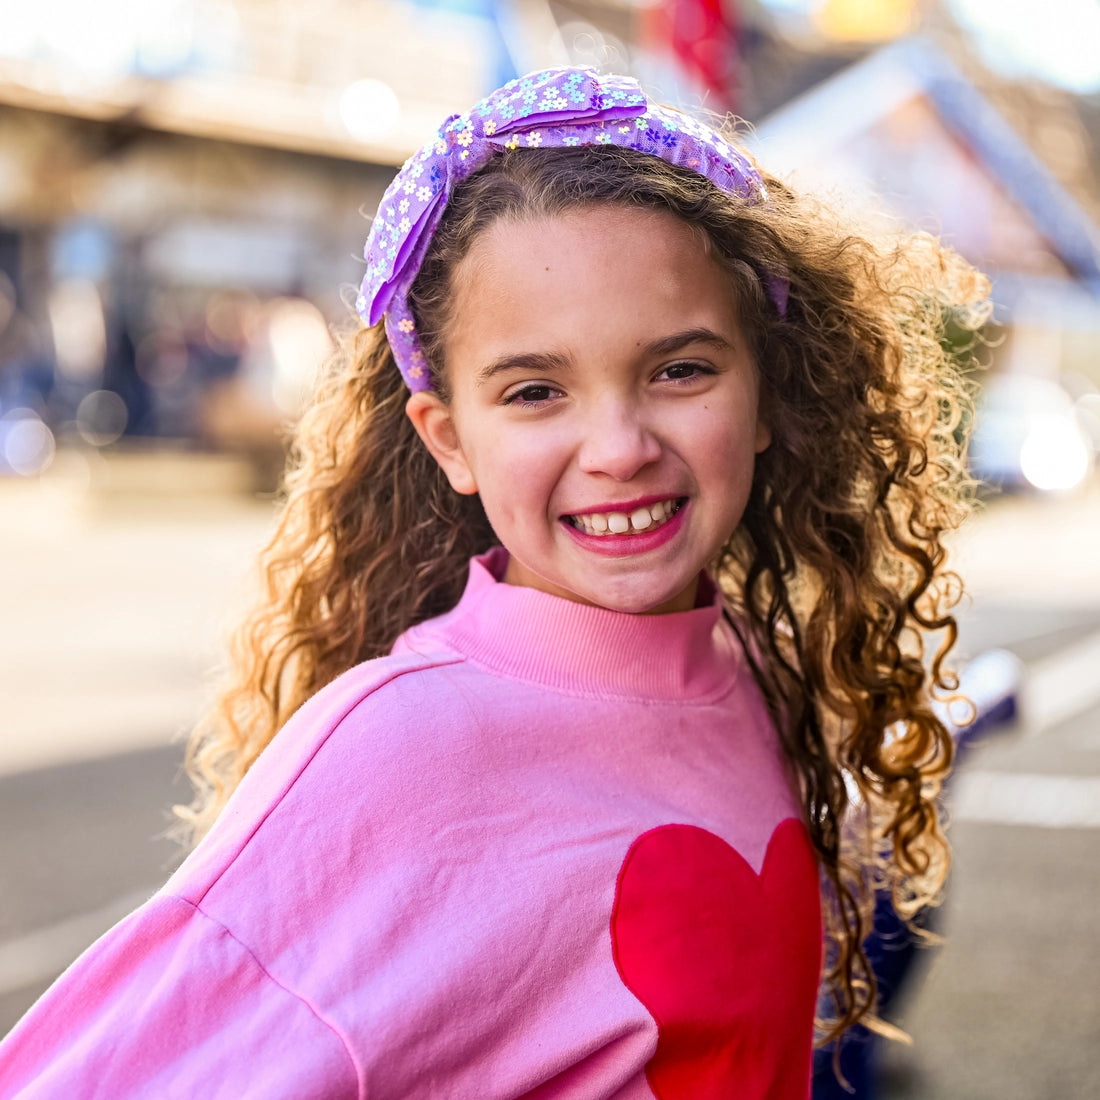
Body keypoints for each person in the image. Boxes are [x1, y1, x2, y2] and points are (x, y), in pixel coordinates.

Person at [0, 67, 990, 1099]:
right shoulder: (393, 749)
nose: (616, 446)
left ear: (770, 387)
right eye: (533, 390)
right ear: (449, 439)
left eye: (679, 369)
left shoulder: (761, 675)